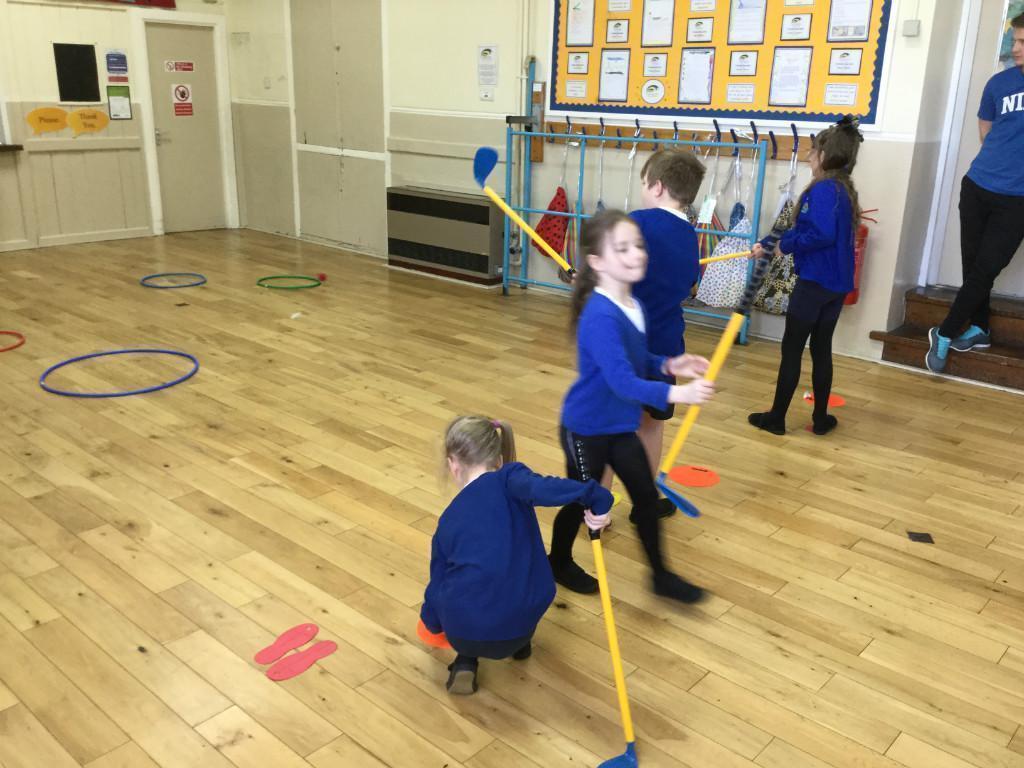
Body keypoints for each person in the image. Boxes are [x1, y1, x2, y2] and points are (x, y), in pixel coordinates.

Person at [548, 209, 713, 603]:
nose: (636, 253)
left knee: (645, 497)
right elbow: (621, 381)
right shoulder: (600, 315)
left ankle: (661, 576)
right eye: (622, 248)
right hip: (586, 429)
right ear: (597, 262)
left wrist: (669, 365)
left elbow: (637, 359)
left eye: (638, 245)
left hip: (617, 425)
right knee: (580, 500)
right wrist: (676, 394)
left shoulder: (632, 306)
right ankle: (558, 560)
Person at [420, 415, 613, 695]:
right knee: (520, 584)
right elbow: (548, 488)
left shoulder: (448, 520)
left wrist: (432, 622)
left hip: (465, 634)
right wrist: (595, 496)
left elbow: (437, 582)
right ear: (499, 459)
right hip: (523, 622)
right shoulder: (511, 479)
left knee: (461, 596)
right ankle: (521, 644)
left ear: (453, 464)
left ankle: (466, 661)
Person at [748, 116, 863, 436]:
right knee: (821, 348)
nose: (809, 156)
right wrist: (770, 244)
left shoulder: (824, 189)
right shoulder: (842, 190)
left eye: (813, 151)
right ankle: (821, 419)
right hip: (836, 285)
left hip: (815, 283)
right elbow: (810, 230)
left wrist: (784, 246)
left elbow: (820, 234)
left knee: (792, 349)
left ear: (824, 156)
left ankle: (776, 418)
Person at [927, 13, 1024, 372]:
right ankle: (980, 328)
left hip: (1018, 199)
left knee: (987, 267)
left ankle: (945, 331)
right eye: (1014, 40)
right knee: (974, 266)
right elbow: (986, 130)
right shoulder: (999, 83)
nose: (1015, 48)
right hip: (979, 186)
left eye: (1022, 42)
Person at [630, 148, 706, 486]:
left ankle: (597, 508)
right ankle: (645, 501)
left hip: (626, 346)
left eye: (644, 183)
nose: (643, 190)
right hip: (665, 349)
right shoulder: (690, 236)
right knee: (651, 423)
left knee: (611, 429)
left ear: (657, 186)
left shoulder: (636, 222)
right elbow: (689, 285)